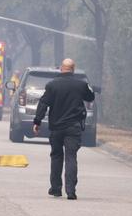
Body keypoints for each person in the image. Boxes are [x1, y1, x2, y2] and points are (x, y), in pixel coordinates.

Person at [33, 58, 94, 200]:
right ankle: (71, 191)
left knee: (56, 156)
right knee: (71, 157)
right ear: (73, 69)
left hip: (56, 127)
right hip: (74, 127)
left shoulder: (52, 85)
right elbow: (90, 98)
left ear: (61, 68)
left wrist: (37, 121)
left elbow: (43, 104)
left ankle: (55, 189)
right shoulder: (81, 85)